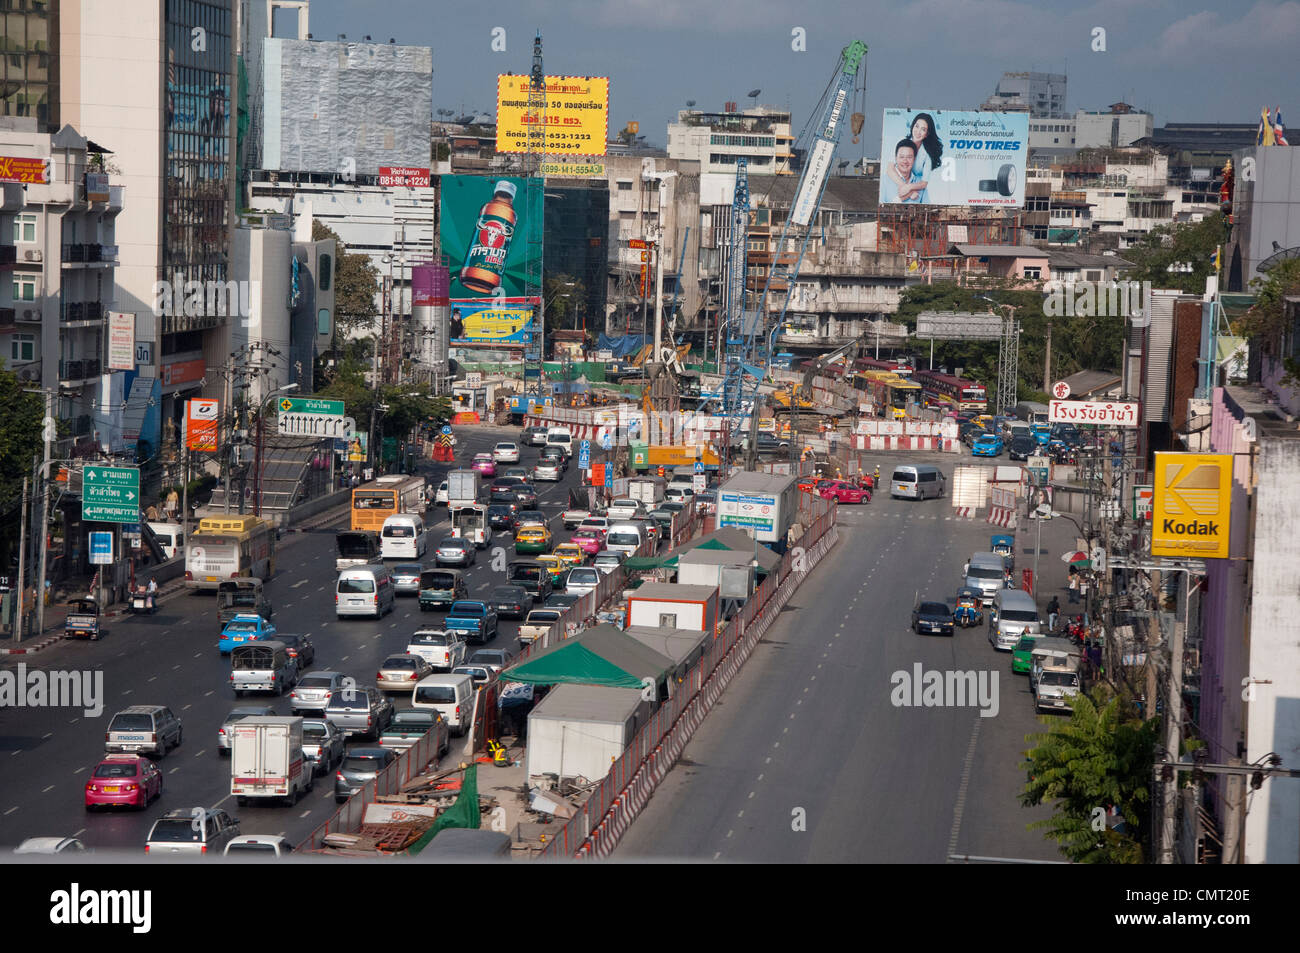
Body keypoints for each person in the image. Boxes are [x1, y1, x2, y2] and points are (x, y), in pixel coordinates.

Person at [885, 112, 942, 202]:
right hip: (897, 180)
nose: (918, 131)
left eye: (923, 129)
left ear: (927, 134)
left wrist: (910, 187)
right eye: (916, 126)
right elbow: (889, 169)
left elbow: (924, 183)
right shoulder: (901, 141)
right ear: (912, 126)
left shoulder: (928, 153)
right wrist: (906, 188)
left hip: (916, 187)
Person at [883, 138, 928, 203]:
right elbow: (881, 209)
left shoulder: (920, 183)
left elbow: (927, 207)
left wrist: (908, 190)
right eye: (902, 157)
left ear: (914, 159)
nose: (905, 161)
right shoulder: (884, 181)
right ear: (895, 158)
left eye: (909, 157)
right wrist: (909, 193)